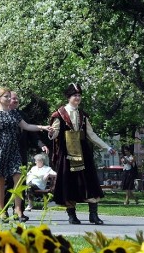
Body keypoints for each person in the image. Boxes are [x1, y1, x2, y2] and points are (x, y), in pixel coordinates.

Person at [0, 87, 52, 222]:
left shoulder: (14, 113)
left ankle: (18, 209)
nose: (8, 98)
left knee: (18, 177)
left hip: (13, 151)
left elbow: (27, 126)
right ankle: (2, 211)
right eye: (6, 96)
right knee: (0, 181)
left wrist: (43, 127)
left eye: (9, 96)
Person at [48, 83, 116, 225]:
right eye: (75, 95)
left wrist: (107, 147)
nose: (77, 98)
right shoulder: (59, 114)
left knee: (89, 181)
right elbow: (53, 134)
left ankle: (93, 215)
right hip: (67, 154)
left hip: (83, 152)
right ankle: (72, 215)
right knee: (70, 182)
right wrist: (51, 133)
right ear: (69, 97)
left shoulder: (82, 115)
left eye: (79, 95)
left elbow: (91, 134)